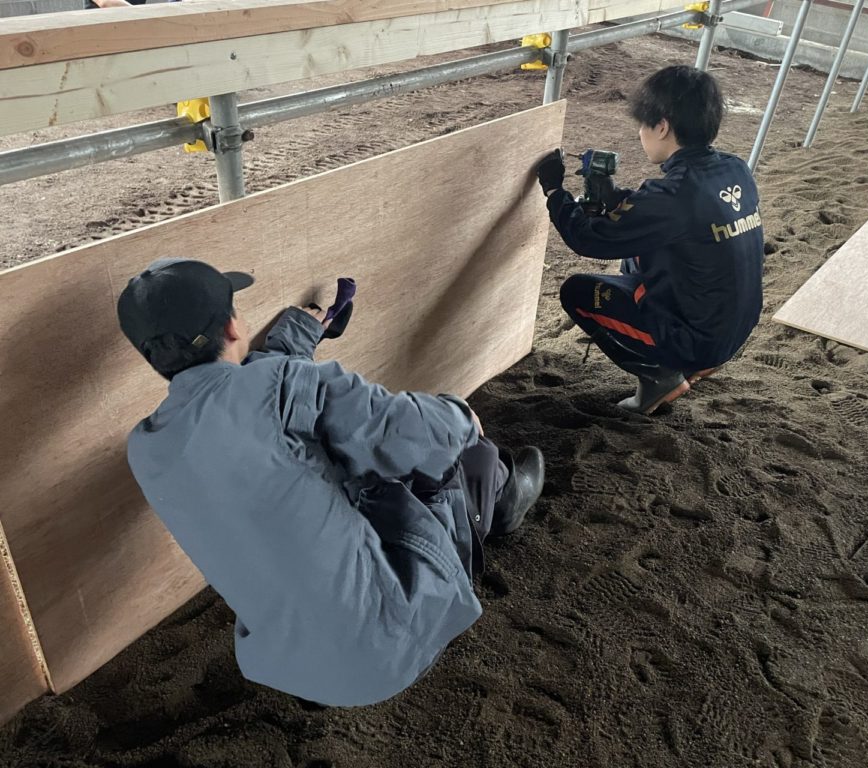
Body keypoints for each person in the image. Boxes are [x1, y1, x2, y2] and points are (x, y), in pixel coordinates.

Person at [116, 258, 544, 706]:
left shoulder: (146, 447)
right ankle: (502, 502)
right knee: (459, 453)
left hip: (293, 668)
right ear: (233, 329)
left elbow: (240, 404)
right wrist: (458, 412)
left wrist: (297, 337)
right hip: (388, 649)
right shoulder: (280, 383)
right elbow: (414, 436)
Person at [535, 65, 764, 415]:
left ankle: (661, 375)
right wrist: (614, 198)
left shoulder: (675, 195)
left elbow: (588, 240)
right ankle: (692, 356)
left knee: (578, 292)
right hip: (734, 326)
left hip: (701, 340)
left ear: (662, 126)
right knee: (640, 254)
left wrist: (554, 191)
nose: (641, 133)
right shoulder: (734, 169)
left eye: (644, 124)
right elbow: (666, 219)